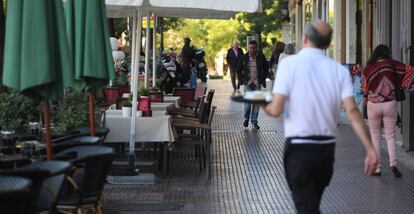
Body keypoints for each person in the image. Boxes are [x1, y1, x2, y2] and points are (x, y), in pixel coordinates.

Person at [263, 20, 378, 213]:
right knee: (311, 204)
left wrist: (260, 104)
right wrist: (370, 149)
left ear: (305, 38)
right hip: (325, 152)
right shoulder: (339, 71)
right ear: (327, 43)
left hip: (298, 151)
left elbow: (275, 110)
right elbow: (352, 111)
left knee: (305, 207)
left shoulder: (288, 65)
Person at [362, 44, 407, 178]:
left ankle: (377, 168)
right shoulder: (393, 65)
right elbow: (409, 72)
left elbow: (364, 88)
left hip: (373, 105)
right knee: (391, 135)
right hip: (390, 104)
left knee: (375, 136)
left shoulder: (369, 68)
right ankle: (393, 164)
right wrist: (402, 84)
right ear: (387, 53)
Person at [238, 40, 269, 129]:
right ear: (248, 48)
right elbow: (238, 71)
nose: (252, 49)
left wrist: (261, 79)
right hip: (248, 83)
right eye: (250, 48)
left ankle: (254, 121)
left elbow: (266, 69)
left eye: (254, 48)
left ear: (256, 48)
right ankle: (246, 119)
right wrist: (244, 81)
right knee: (247, 104)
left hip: (257, 83)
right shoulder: (243, 57)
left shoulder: (261, 57)